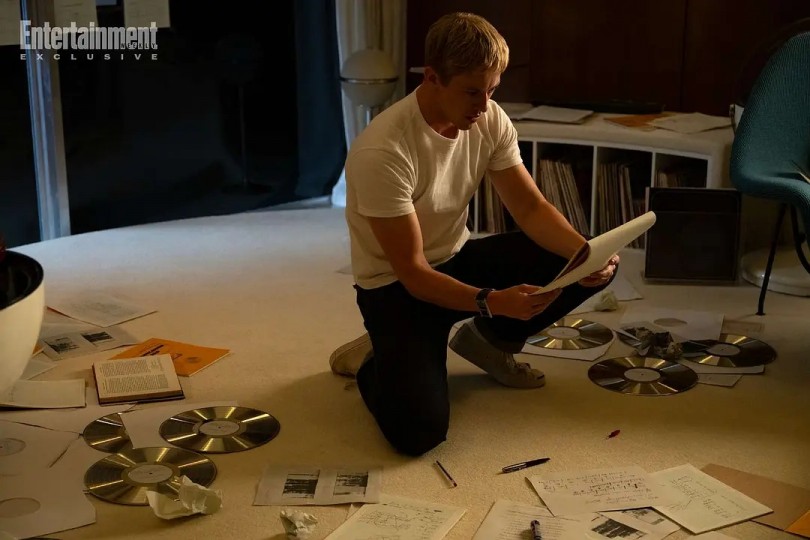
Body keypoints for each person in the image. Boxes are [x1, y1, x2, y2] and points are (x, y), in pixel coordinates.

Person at [330, 12, 619, 456]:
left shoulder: (489, 118)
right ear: (432, 77)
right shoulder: (382, 150)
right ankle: (375, 360)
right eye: (471, 91)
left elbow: (530, 207)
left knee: (575, 260)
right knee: (418, 435)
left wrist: (586, 254)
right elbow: (413, 272)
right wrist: (492, 301)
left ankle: (488, 341)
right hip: (396, 288)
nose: (484, 106)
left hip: (457, 258)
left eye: (492, 90)